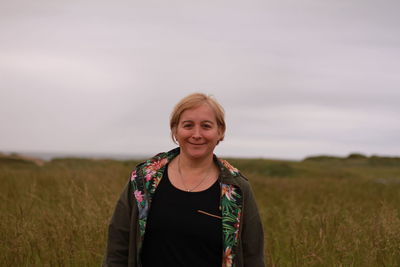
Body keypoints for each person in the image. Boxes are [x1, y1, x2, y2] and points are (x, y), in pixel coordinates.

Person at [103, 93, 265, 267]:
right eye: (188, 125)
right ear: (175, 130)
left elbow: (253, 256)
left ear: (220, 132)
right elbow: (118, 246)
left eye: (206, 126)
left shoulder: (237, 188)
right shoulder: (144, 179)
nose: (196, 134)